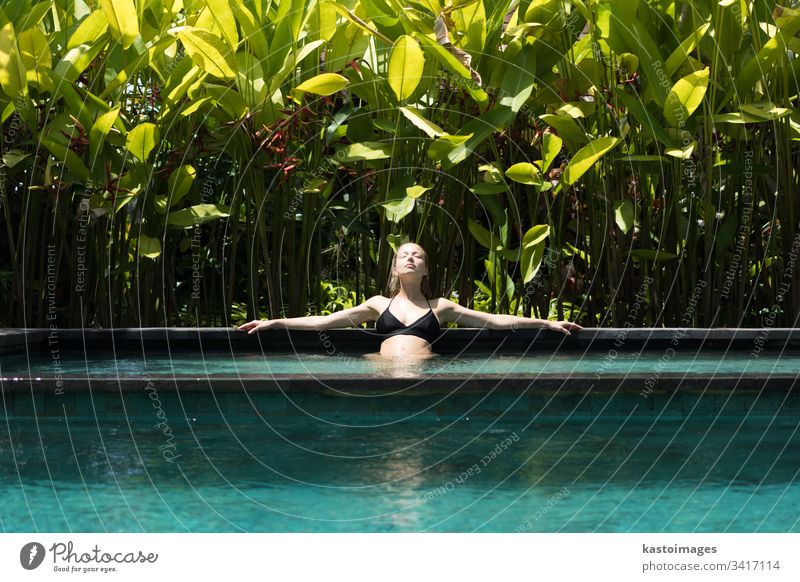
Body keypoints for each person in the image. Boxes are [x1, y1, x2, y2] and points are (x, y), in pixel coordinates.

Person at [238, 242, 583, 357]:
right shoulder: (377, 305)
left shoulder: (441, 307)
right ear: (393, 268)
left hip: (425, 373)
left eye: (417, 256)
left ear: (426, 270)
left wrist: (546, 322)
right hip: (378, 372)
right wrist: (276, 321)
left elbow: (494, 320)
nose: (409, 259)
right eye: (403, 255)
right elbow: (323, 322)